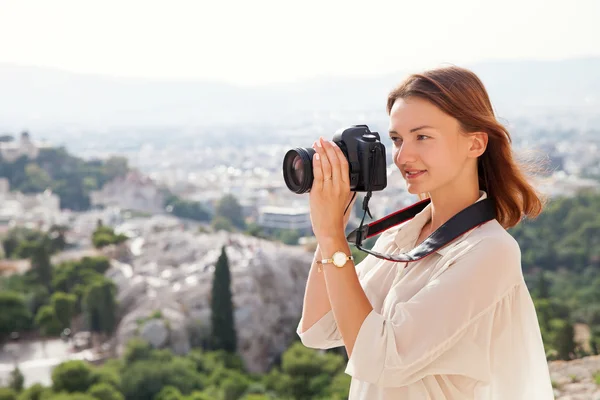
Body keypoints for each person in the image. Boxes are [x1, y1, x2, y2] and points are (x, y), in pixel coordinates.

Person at [296, 65, 554, 399]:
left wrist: (332, 236)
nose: (404, 156)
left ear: (475, 143)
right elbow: (319, 329)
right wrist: (331, 231)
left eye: (423, 137)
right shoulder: (402, 237)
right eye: (397, 140)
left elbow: (381, 359)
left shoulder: (490, 251)